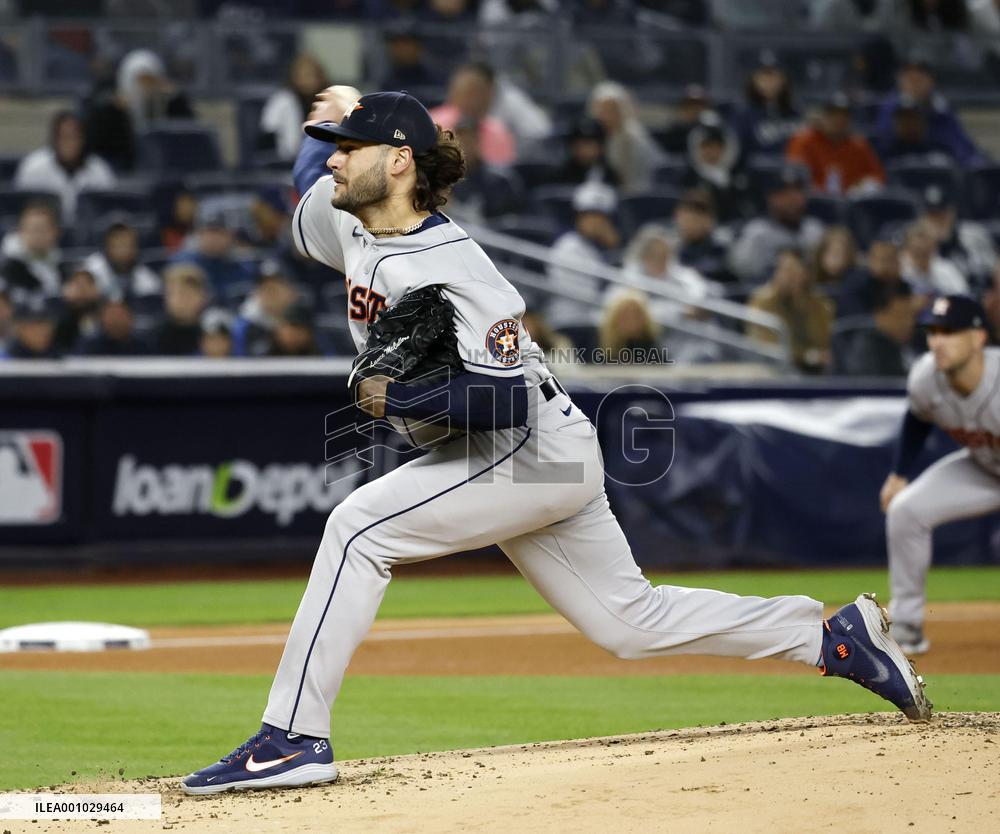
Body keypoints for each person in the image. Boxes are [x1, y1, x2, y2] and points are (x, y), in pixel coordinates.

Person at [181, 88, 930, 796]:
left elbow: (502, 396)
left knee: (357, 529)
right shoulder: (352, 221)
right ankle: (830, 636)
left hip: (529, 445)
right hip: (504, 451)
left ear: (400, 160)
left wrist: (400, 394)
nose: (334, 159)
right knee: (630, 623)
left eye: (350, 148)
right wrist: (342, 109)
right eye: (336, 149)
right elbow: (307, 184)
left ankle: (292, 737)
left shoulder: (455, 267)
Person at [879, 294, 1000, 655]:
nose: (937, 341)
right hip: (983, 468)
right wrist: (899, 473)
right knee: (906, 510)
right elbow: (917, 418)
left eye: (949, 331)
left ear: (978, 338)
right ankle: (907, 625)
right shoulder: (926, 376)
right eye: (933, 331)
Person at [83, 48, 195, 172]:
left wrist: (177, 99)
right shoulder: (109, 110)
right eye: (140, 81)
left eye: (151, 81)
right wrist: (113, 111)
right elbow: (93, 144)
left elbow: (189, 135)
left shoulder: (169, 105)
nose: (145, 87)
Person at [874, 55, 986, 168]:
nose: (914, 84)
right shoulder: (891, 109)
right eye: (909, 79)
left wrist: (976, 163)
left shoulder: (943, 109)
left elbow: (962, 145)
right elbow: (885, 147)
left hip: (945, 169)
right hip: (905, 170)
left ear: (931, 80)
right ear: (900, 81)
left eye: (919, 79)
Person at [13, 111, 116, 223]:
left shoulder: (99, 170)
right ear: (54, 139)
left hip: (87, 235)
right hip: (43, 236)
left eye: (74, 137)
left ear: (84, 139)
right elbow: (20, 213)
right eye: (64, 137)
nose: (69, 143)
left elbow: (108, 214)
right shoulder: (33, 167)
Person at [727, 165, 825, 284]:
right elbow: (741, 274)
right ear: (771, 198)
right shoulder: (757, 233)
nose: (792, 199)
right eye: (784, 193)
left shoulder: (815, 231)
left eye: (797, 191)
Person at [546, 180, 621, 328]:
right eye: (589, 215)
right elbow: (585, 298)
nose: (595, 223)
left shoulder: (604, 250)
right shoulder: (568, 246)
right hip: (568, 324)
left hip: (593, 322)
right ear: (579, 217)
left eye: (601, 217)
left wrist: (614, 250)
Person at [747, 247, 834, 373]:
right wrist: (806, 356)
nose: (783, 275)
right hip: (775, 369)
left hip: (815, 370)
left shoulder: (818, 303)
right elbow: (766, 347)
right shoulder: (763, 300)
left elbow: (823, 341)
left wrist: (799, 301)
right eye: (780, 269)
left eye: (790, 270)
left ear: (805, 274)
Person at [785, 92, 885, 195]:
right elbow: (795, 177)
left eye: (843, 116)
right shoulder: (803, 140)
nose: (838, 120)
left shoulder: (858, 145)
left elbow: (877, 176)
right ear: (821, 117)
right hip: (814, 202)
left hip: (852, 203)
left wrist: (863, 187)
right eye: (832, 115)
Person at [430, 62, 517, 166]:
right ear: (453, 92)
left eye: (480, 92)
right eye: (469, 92)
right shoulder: (431, 122)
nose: (475, 100)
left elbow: (502, 174)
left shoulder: (499, 132)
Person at [587, 81, 663, 194]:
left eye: (612, 109)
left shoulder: (634, 137)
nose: (606, 115)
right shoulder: (592, 135)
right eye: (602, 109)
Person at [917, 185, 997, 291]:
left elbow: (996, 268)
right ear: (923, 218)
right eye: (933, 215)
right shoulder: (918, 247)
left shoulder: (974, 234)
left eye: (943, 213)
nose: (939, 220)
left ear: (952, 212)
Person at [448, 117, 524, 221]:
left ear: (478, 141)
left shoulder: (500, 181)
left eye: (469, 140)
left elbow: (509, 222)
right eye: (460, 140)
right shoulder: (443, 180)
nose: (464, 146)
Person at [833, 282, 917, 376]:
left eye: (911, 316)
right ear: (879, 316)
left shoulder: (917, 341)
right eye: (900, 316)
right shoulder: (868, 353)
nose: (908, 323)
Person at [730, 50, 802, 159]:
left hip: (792, 173)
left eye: (774, 75)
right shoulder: (743, 116)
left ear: (784, 79)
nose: (769, 81)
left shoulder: (796, 114)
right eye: (764, 76)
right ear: (754, 80)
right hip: (756, 174)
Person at [681, 111, 749, 222]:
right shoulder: (687, 177)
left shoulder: (739, 177)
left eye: (717, 147)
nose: (712, 153)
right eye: (706, 147)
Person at [259, 54, 330, 162]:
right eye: (302, 75)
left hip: (324, 159)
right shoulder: (283, 100)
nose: (307, 80)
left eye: (311, 75)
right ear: (293, 77)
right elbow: (268, 129)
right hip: (286, 162)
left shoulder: (329, 99)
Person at [83, 219, 162, 302]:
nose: (123, 251)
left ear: (135, 249)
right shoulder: (91, 269)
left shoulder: (147, 280)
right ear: (107, 248)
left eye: (127, 245)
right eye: (117, 245)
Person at [233, 260, 301, 357]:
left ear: (290, 292)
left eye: (276, 287)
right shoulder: (246, 323)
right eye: (265, 288)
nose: (270, 294)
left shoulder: (301, 319)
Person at [837, 237, 914, 318]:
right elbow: (858, 321)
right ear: (871, 261)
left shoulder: (903, 286)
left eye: (893, 260)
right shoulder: (857, 285)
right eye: (884, 260)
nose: (888, 266)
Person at [671, 188, 734, 284]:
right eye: (687, 219)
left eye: (695, 220)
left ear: (709, 221)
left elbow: (710, 270)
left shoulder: (718, 248)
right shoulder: (668, 240)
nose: (689, 224)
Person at [0, 202, 62, 296]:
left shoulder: (60, 266)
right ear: (21, 232)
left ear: (55, 232)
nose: (37, 235)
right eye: (32, 229)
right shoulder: (8, 269)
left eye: (42, 229)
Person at [152, 263, 211, 355]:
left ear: (203, 298)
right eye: (178, 294)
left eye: (189, 294)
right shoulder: (152, 337)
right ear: (166, 298)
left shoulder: (212, 334)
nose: (183, 300)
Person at [900, 219, 970, 295]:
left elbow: (964, 295)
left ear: (934, 247)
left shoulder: (945, 268)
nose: (922, 250)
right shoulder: (898, 269)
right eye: (917, 250)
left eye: (926, 250)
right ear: (906, 247)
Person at [549, 116, 619, 188]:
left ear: (601, 147)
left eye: (589, 145)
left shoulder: (610, 175)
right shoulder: (560, 176)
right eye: (579, 145)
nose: (584, 151)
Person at [53, 264, 103, 353]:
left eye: (88, 283)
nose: (82, 289)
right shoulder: (57, 317)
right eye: (77, 284)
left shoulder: (106, 315)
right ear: (66, 289)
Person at [0, 293, 61, 360]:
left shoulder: (62, 357)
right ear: (19, 328)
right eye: (35, 324)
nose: (42, 330)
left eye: (46, 322)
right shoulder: (5, 361)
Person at [658, 85, 712, 155]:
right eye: (690, 105)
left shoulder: (710, 130)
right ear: (683, 107)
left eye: (698, 105)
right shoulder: (674, 131)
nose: (694, 109)